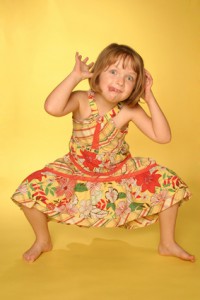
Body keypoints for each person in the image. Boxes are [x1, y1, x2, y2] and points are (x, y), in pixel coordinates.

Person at [11, 43, 195, 263]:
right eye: (114, 71)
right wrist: (74, 76)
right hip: (76, 170)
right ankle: (43, 240)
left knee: (169, 182)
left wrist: (149, 96)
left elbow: (163, 136)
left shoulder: (130, 110)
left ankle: (167, 243)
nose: (120, 80)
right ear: (97, 75)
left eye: (129, 78)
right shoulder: (81, 99)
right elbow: (52, 107)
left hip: (118, 171)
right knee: (29, 190)